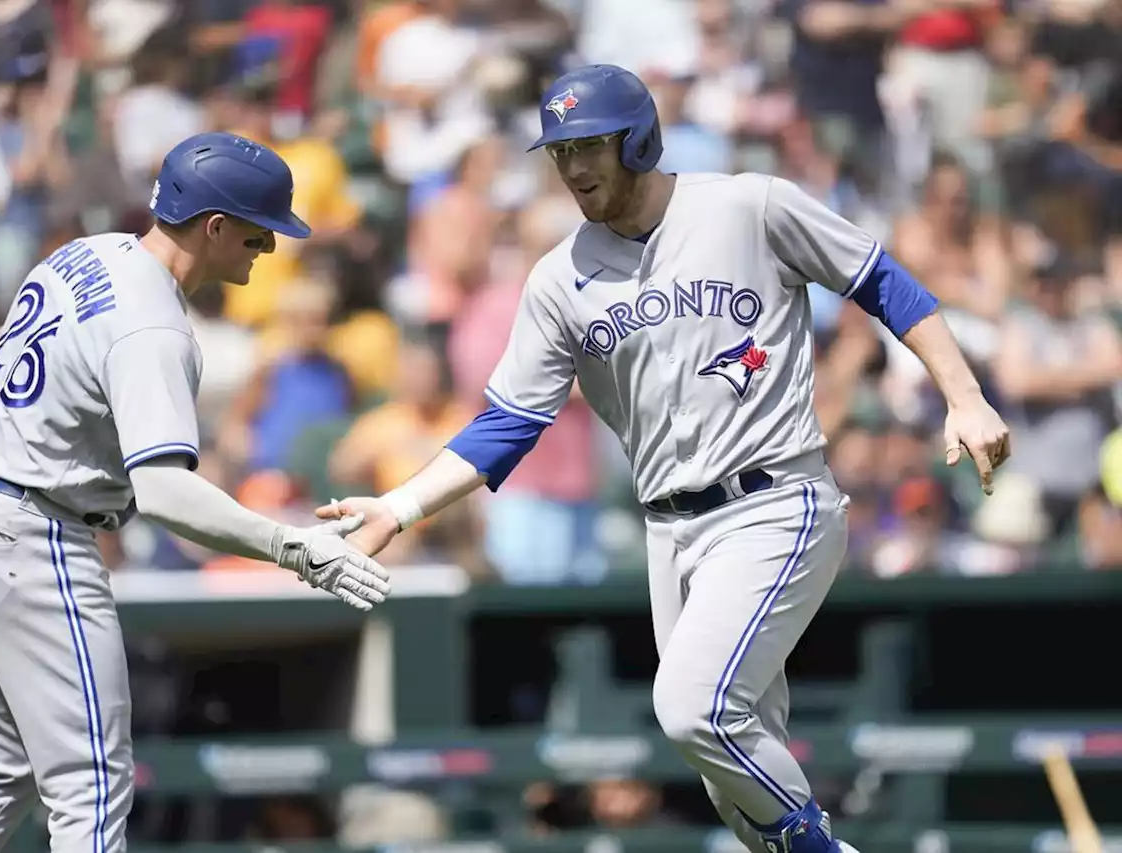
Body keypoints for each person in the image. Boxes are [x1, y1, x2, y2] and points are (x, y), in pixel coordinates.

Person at [317, 65, 1010, 853]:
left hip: (774, 499)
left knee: (694, 708)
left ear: (639, 139)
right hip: (667, 530)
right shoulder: (558, 278)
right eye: (560, 153)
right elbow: (508, 422)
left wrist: (964, 394)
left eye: (591, 147)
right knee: (733, 779)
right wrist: (399, 505)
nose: (574, 169)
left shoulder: (748, 206)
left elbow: (882, 282)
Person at [0, 131, 391, 853]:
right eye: (261, 230)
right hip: (31, 533)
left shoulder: (87, 251)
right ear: (215, 226)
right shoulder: (154, 326)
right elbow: (165, 493)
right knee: (93, 782)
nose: (269, 247)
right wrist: (291, 545)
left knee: (0, 770)